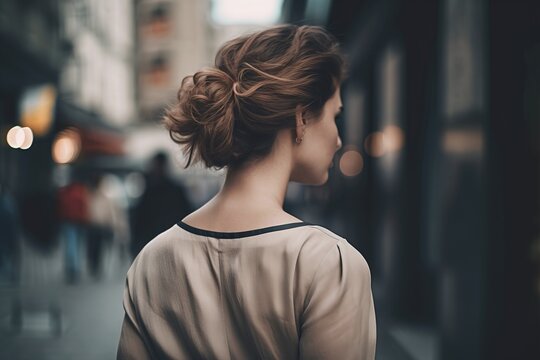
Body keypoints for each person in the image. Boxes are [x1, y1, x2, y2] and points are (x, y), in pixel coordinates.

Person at [117, 24, 377, 359]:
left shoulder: (152, 261)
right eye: (334, 115)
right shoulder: (328, 263)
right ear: (301, 118)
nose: (339, 138)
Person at [131, 152, 194, 258]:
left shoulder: (151, 191)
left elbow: (139, 220)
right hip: (170, 242)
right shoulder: (174, 190)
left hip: (157, 242)